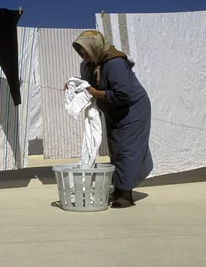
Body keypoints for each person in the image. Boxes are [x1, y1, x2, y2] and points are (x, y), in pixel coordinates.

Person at [65, 30, 153, 208]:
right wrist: (73, 85)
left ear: (95, 47)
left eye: (85, 50)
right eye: (80, 51)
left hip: (133, 110)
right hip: (114, 110)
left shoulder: (114, 63)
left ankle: (127, 195)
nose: (83, 54)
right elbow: (87, 85)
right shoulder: (89, 65)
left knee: (128, 149)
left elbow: (123, 94)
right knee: (116, 148)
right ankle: (119, 189)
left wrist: (96, 93)